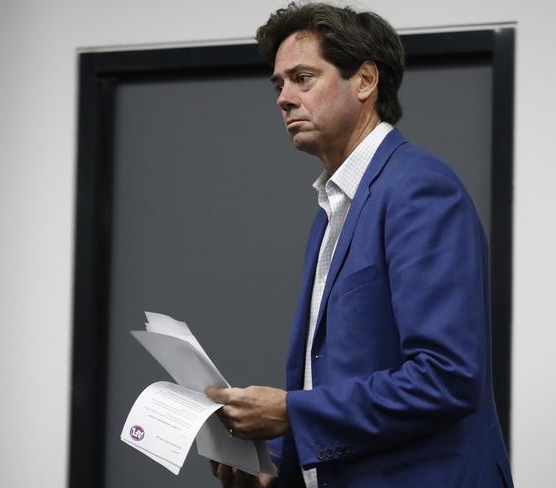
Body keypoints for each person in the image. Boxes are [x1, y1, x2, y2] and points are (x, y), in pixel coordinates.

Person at [206, 2, 513, 487]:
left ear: (365, 81)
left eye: (303, 78)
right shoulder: (335, 205)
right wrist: (278, 466)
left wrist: (289, 412)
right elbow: (339, 377)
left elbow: (447, 378)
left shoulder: (418, 188)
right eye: (278, 84)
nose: (284, 98)